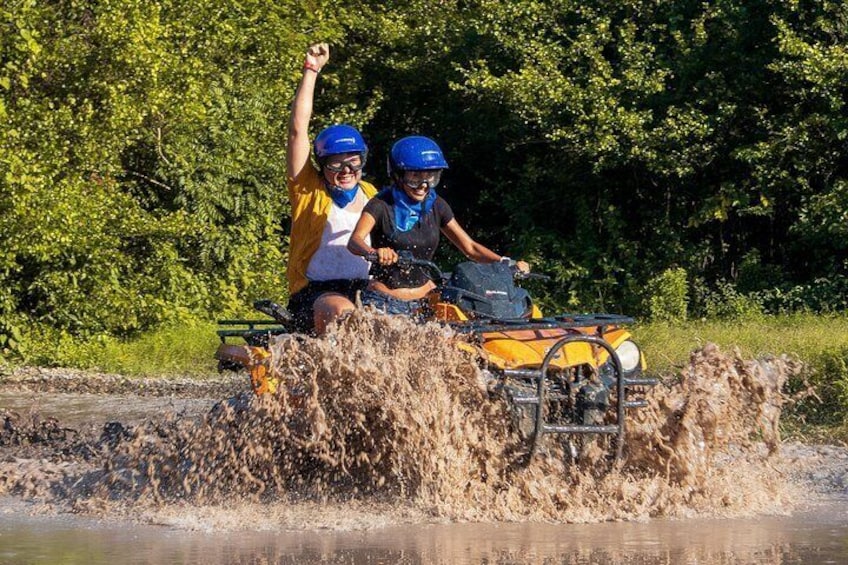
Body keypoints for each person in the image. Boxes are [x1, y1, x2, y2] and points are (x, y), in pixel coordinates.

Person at [347, 135, 529, 315]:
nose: (423, 185)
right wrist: (374, 253)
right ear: (397, 175)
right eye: (414, 177)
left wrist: (504, 263)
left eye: (430, 178)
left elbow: (470, 248)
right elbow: (354, 241)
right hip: (385, 302)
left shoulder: (437, 205)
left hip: (428, 300)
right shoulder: (380, 205)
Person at [286, 42, 377, 334]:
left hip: (365, 289)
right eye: (337, 165)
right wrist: (311, 70)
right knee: (346, 314)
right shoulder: (307, 190)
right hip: (315, 293)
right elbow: (298, 130)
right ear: (322, 166)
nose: (347, 171)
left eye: (353, 163)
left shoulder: (373, 194)